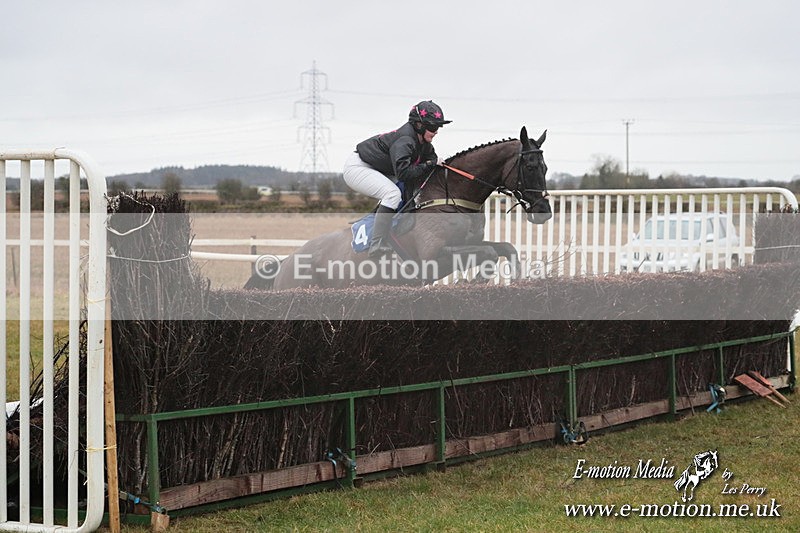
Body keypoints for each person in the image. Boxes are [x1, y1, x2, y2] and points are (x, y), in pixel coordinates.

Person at [343, 100, 451, 257]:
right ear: (419, 125)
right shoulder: (405, 140)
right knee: (392, 194)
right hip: (358, 167)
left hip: (378, 168)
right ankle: (376, 244)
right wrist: (430, 163)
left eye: (438, 127)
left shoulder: (424, 143)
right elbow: (404, 174)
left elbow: (430, 167)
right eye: (433, 127)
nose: (436, 132)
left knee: (403, 192)